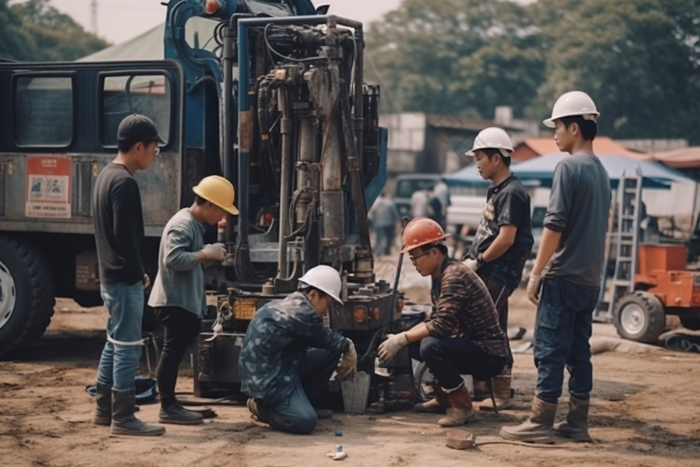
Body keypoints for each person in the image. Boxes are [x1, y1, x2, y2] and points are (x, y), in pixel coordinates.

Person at [500, 91, 611, 444]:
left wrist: (536, 273)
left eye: (558, 127)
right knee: (579, 352)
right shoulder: (602, 171)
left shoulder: (568, 167)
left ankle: (539, 422)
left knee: (548, 349)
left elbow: (554, 224)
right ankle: (578, 422)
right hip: (590, 280)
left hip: (562, 277)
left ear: (575, 128)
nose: (554, 135)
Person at [378, 218, 510, 427]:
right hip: (469, 344)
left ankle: (462, 406)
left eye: (415, 257)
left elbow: (441, 326)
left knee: (431, 347)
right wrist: (403, 337)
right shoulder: (440, 276)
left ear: (434, 253)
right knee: (416, 343)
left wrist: (401, 338)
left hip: (488, 353)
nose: (414, 263)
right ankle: (443, 397)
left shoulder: (454, 276)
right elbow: (434, 318)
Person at [92, 114, 166, 436]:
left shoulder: (105, 175)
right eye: (153, 149)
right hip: (123, 278)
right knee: (128, 345)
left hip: (109, 276)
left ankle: (103, 408)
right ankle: (123, 418)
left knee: (114, 339)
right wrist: (140, 273)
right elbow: (125, 236)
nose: (153, 155)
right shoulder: (124, 183)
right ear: (138, 146)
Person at [147, 175, 239, 425]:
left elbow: (187, 261)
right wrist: (203, 253)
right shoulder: (183, 224)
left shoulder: (194, 225)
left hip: (181, 300)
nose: (222, 218)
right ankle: (168, 407)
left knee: (174, 352)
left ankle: (171, 402)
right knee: (171, 352)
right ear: (208, 204)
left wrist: (207, 256)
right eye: (221, 210)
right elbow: (173, 260)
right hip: (173, 301)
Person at [238, 265, 358, 434]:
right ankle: (263, 408)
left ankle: (301, 404)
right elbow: (327, 338)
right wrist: (349, 347)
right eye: (328, 303)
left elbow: (328, 343)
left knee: (330, 353)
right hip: (268, 380)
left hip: (276, 366)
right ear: (313, 294)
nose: (327, 310)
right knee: (305, 422)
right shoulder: (304, 312)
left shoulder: (292, 303)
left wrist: (343, 346)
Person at [463, 127, 534, 411]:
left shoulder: (512, 193)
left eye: (480, 157)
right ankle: (484, 386)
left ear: (496, 157)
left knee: (491, 328)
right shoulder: (498, 190)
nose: (477, 164)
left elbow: (506, 238)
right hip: (487, 271)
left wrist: (478, 261)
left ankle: (501, 391)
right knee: (484, 327)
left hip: (498, 272)